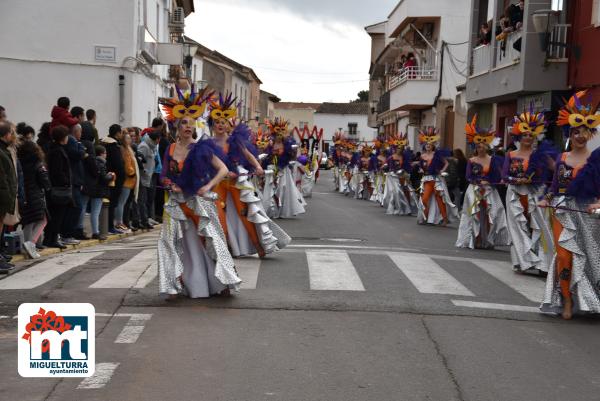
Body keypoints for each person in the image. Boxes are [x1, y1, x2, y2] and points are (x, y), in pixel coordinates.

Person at [158, 87, 241, 298]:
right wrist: (169, 183)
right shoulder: (169, 149)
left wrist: (208, 186)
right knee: (174, 243)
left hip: (198, 202)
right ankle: (175, 284)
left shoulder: (200, 147)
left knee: (210, 240)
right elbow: (164, 173)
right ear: (176, 126)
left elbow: (222, 169)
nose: (188, 126)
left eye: (191, 122)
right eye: (184, 122)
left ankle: (221, 282)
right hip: (176, 203)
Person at [539, 92, 600, 320]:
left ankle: (589, 298)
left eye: (585, 131)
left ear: (590, 133)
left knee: (587, 258)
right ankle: (566, 299)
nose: (580, 136)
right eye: (576, 131)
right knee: (564, 256)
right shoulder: (562, 157)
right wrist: (547, 198)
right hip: (562, 211)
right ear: (570, 133)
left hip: (586, 213)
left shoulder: (596, 159)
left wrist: (598, 202)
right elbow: (554, 186)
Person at [209, 93, 291, 257]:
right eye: (217, 122)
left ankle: (258, 245)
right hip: (218, 184)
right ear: (212, 125)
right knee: (219, 215)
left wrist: (257, 166)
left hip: (236, 182)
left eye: (223, 122)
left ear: (227, 125)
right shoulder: (208, 143)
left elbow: (247, 155)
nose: (220, 125)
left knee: (245, 213)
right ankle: (226, 247)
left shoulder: (234, 140)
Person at [503, 108, 556, 273]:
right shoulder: (511, 155)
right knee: (519, 227)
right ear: (519, 135)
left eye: (531, 134)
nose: (528, 137)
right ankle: (523, 260)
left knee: (540, 227)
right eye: (525, 134)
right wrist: (515, 179)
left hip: (536, 194)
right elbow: (504, 175)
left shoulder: (542, 155)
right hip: (515, 194)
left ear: (536, 135)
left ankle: (543, 264)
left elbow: (556, 170)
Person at [456, 116, 510, 249]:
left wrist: (493, 181)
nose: (481, 148)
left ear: (487, 146)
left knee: (492, 213)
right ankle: (476, 239)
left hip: (489, 190)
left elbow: (498, 175)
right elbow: (468, 176)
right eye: (478, 146)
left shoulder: (494, 160)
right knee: (475, 214)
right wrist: (478, 182)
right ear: (475, 147)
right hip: (474, 190)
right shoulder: (471, 160)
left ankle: (489, 239)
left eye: (483, 146)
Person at [415, 128, 459, 226]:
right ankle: (424, 217)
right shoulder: (422, 156)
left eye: (430, 145)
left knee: (440, 199)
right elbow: (421, 166)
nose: (428, 146)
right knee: (424, 198)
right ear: (424, 146)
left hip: (437, 180)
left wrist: (442, 170)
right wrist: (421, 169)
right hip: (427, 179)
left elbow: (446, 163)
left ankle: (445, 219)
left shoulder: (437, 154)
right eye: (426, 145)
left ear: (433, 146)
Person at [18, 139, 51, 259]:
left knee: (28, 221)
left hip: (23, 195)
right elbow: (44, 181)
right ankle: (31, 243)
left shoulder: (19, 162)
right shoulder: (38, 163)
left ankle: (27, 247)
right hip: (36, 195)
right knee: (43, 220)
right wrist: (48, 186)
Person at [44, 126, 72, 250]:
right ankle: (52, 239)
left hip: (56, 187)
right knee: (57, 215)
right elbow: (57, 172)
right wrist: (66, 182)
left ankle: (50, 238)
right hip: (59, 188)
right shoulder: (57, 151)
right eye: (66, 136)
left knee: (56, 215)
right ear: (62, 138)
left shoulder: (56, 149)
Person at [81, 145, 114, 240]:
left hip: (91, 188)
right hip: (99, 190)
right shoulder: (101, 163)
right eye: (105, 153)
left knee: (88, 210)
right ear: (102, 154)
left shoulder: (91, 162)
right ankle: (96, 232)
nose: (106, 155)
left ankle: (84, 229)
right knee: (96, 211)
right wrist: (111, 176)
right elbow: (103, 178)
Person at [383, 133, 416, 216]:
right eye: (398, 148)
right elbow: (386, 165)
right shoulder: (391, 157)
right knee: (397, 192)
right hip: (392, 177)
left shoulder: (404, 157)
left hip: (402, 175)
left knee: (408, 192)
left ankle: (408, 209)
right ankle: (398, 208)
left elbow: (408, 166)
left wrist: (408, 171)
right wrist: (384, 167)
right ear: (395, 148)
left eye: (401, 148)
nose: (399, 149)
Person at [101, 124, 126, 234]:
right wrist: (122, 175)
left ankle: (105, 226)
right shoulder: (114, 146)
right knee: (112, 203)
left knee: (107, 203)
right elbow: (118, 165)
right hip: (114, 179)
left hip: (106, 176)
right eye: (121, 132)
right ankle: (110, 226)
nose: (122, 135)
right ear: (117, 133)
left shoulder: (103, 143)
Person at [0, 121, 17, 272]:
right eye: (11, 133)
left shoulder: (4, 150)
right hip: (2, 199)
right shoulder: (1, 152)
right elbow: (3, 180)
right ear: (6, 135)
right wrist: (8, 199)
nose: (13, 136)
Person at [115, 132, 139, 233]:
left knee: (124, 203)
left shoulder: (129, 149)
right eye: (128, 138)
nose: (130, 140)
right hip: (127, 180)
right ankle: (119, 222)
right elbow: (127, 163)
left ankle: (122, 222)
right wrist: (132, 173)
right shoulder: (125, 150)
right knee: (121, 202)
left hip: (130, 180)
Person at [137, 130, 161, 229]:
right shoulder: (144, 146)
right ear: (156, 139)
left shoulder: (152, 147)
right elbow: (139, 162)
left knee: (145, 199)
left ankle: (144, 219)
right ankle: (143, 221)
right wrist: (145, 172)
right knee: (142, 200)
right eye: (159, 139)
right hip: (143, 177)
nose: (159, 141)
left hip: (148, 177)